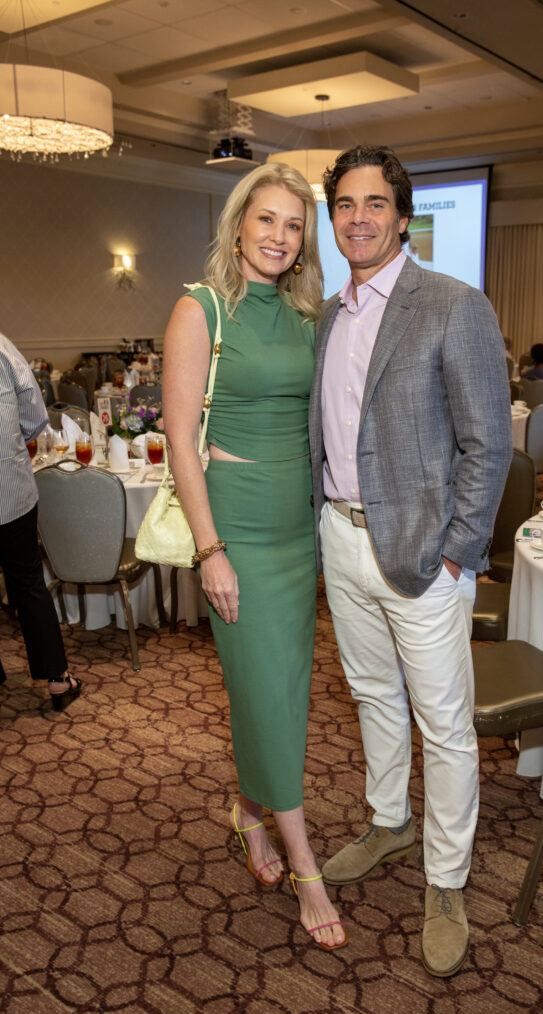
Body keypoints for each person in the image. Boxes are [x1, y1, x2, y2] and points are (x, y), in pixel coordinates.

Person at [308, 145, 512, 977]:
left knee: (445, 724)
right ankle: (388, 821)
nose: (358, 218)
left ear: (401, 215)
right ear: (335, 219)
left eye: (373, 204)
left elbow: (487, 444)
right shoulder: (328, 314)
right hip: (339, 537)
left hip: (426, 555)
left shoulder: (453, 305)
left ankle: (446, 878)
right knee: (368, 695)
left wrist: (459, 552)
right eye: (345, 205)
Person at [162, 163, 346, 952]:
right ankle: (304, 862)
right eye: (265, 219)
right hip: (234, 530)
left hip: (294, 532)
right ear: (238, 225)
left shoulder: (306, 317)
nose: (278, 235)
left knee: (282, 692)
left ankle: (246, 811)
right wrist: (210, 551)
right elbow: (177, 438)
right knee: (266, 693)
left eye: (293, 224)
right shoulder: (199, 310)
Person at [0, 333, 82, 710]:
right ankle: (57, 680)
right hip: (8, 491)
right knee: (28, 583)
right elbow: (35, 417)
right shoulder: (1, 348)